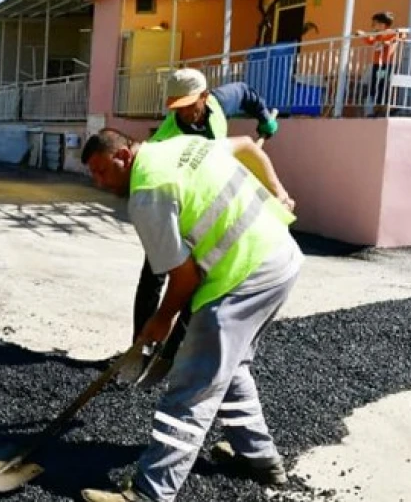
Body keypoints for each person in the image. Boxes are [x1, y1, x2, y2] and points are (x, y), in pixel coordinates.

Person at [79, 128, 302, 502]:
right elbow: (247, 145)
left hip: (242, 277)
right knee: (231, 367)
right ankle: (262, 461)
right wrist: (277, 192)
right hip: (282, 258)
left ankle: (151, 493)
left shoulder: (148, 195)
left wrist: (162, 320)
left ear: (122, 157)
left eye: (102, 171)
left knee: (191, 386)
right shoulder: (184, 146)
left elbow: (185, 277)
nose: (100, 183)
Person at [132, 68, 279, 381]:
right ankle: (142, 346)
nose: (184, 112)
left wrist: (264, 117)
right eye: (177, 107)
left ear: (205, 96)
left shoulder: (219, 103)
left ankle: (172, 354)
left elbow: (247, 93)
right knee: (156, 273)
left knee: (198, 280)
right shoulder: (166, 138)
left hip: (211, 212)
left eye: (189, 104)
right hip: (176, 209)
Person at [355, 11, 404, 117]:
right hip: (378, 64)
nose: (373, 25)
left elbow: (401, 36)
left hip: (386, 64)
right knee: (376, 85)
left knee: (382, 85)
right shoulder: (378, 35)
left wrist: (390, 42)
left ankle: (384, 108)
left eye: (375, 23)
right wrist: (363, 35)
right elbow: (371, 41)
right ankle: (375, 109)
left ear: (382, 24)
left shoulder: (389, 32)